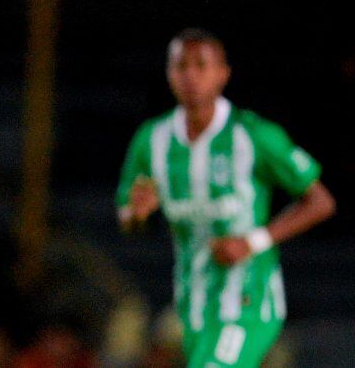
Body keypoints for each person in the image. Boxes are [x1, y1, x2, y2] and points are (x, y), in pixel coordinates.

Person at [116, 28, 335, 367]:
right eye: (180, 66)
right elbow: (127, 218)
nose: (190, 75)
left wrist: (253, 241)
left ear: (223, 74)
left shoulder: (254, 135)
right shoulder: (151, 140)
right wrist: (137, 214)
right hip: (192, 302)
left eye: (201, 65)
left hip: (248, 298)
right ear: (169, 74)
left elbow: (321, 201)